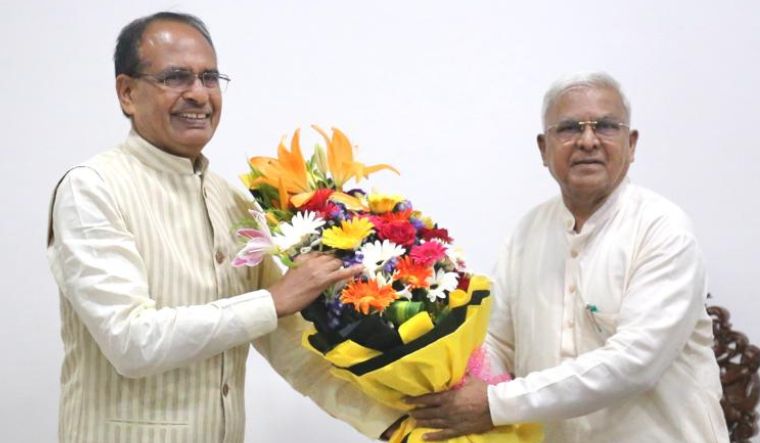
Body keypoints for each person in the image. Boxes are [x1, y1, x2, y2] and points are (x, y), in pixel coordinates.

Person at [46, 12, 400, 443]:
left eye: (210, 78)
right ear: (127, 93)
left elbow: (295, 354)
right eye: (176, 77)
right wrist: (272, 299)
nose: (198, 94)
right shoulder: (92, 189)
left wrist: (397, 424)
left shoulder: (234, 201)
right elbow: (131, 342)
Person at [407, 72, 730, 442]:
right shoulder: (527, 233)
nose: (588, 141)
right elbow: (498, 343)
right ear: (544, 149)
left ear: (632, 143)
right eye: (569, 129)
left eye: (606, 126)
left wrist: (494, 404)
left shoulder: (662, 229)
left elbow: (634, 362)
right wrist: (439, 382)